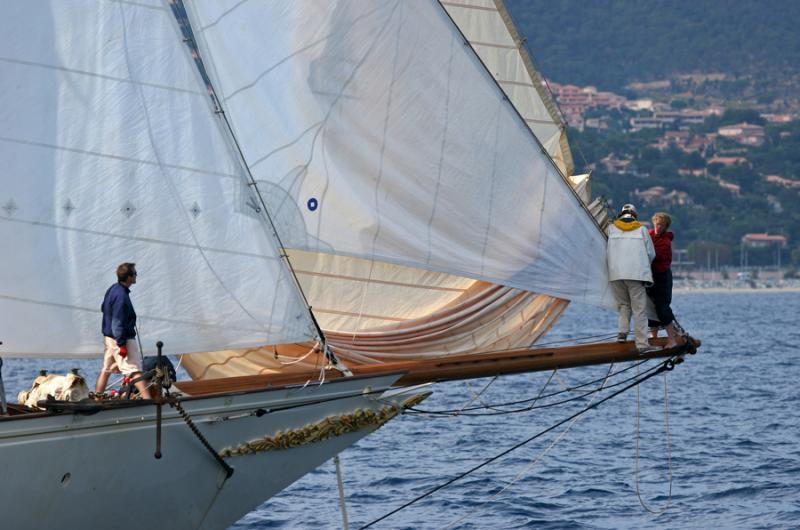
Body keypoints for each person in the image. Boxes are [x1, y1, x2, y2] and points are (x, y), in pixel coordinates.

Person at [95, 263, 151, 399]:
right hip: (121, 338)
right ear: (129, 277)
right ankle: (149, 401)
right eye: (135, 274)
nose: (136, 276)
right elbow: (117, 322)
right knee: (134, 370)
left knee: (106, 369)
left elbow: (104, 308)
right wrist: (122, 345)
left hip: (109, 338)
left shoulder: (112, 289)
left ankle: (97, 398)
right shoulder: (121, 296)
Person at [607, 204, 657, 353]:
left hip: (615, 274)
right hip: (635, 274)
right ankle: (642, 344)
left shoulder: (611, 229)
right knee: (639, 309)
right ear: (634, 215)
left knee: (624, 305)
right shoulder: (641, 230)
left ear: (621, 214)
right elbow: (651, 254)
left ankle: (622, 334)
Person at [647, 212, 687, 348]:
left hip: (662, 277)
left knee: (662, 307)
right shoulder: (649, 235)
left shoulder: (665, 241)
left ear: (665, 227)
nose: (658, 227)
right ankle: (654, 335)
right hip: (650, 275)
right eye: (656, 224)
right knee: (650, 304)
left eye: (661, 225)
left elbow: (653, 256)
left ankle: (672, 340)